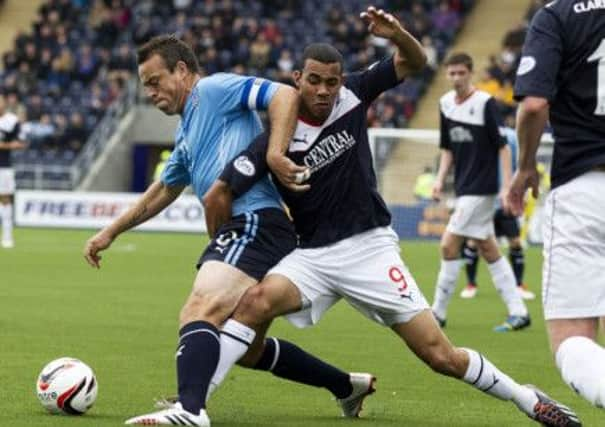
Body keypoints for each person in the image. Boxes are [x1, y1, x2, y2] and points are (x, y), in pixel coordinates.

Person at [200, 7, 580, 426]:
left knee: (441, 356)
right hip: (311, 256)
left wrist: (398, 34)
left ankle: (528, 399)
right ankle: (193, 406)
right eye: (314, 81)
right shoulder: (275, 137)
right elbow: (222, 190)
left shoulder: (355, 93)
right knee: (253, 304)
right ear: (297, 80)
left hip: (370, 249)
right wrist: (220, 248)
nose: (324, 90)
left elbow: (415, 63)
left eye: (331, 81)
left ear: (341, 81)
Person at [83, 35, 374, 427]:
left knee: (200, 307)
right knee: (249, 349)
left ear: (182, 71)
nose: (149, 92)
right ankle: (346, 385)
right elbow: (165, 189)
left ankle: (189, 410)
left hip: (253, 220)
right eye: (145, 85)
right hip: (258, 229)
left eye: (154, 81)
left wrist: (274, 152)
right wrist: (110, 232)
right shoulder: (187, 132)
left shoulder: (213, 89)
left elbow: (285, 96)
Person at [508, 0, 605, 409]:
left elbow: (533, 105)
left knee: (572, 342)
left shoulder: (558, 15)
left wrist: (526, 167)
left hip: (585, 189)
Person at [430, 52, 531, 332]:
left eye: (461, 73)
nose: (456, 78)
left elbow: (501, 146)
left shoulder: (485, 103)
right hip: (463, 187)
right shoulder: (445, 103)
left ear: (470, 73)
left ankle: (437, 313)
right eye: (452, 73)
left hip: (483, 189)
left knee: (448, 244)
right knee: (488, 248)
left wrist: (507, 187)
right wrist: (439, 180)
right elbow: (447, 148)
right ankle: (519, 312)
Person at [460, 125, 535, 300]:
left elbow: (519, 165)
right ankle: (471, 284)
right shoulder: (477, 136)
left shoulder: (511, 137)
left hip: (504, 200)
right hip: (482, 198)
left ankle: (518, 285)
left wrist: (519, 192)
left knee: (515, 242)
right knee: (473, 242)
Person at [0, 94, 26, 248]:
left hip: (3, 166)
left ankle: (7, 236)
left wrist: (3, 146)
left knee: (5, 199)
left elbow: (21, 143)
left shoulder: (12, 121)